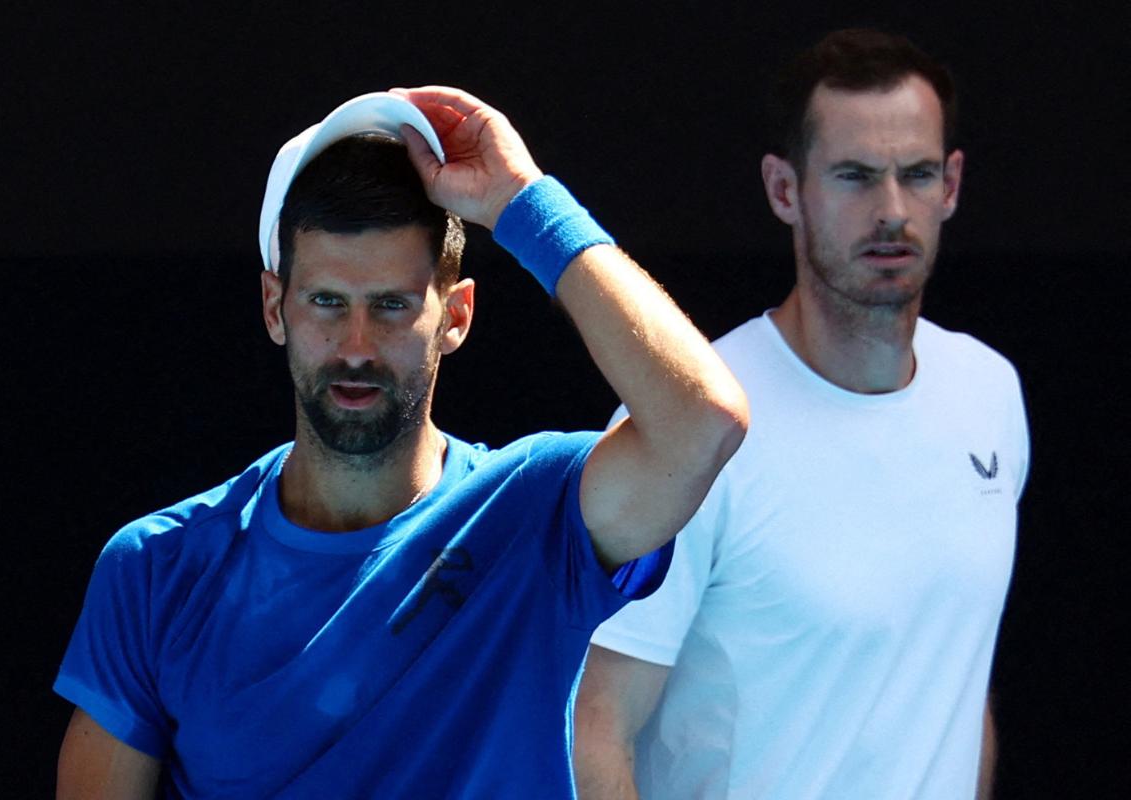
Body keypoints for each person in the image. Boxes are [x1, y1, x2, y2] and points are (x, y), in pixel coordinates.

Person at [52, 86, 748, 798]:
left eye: (392, 305)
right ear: (274, 307)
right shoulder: (155, 567)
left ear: (457, 316)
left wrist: (523, 201)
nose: (356, 346)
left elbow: (705, 421)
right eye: (327, 301)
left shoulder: (535, 508)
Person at [574, 29, 1029, 800]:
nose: (892, 211)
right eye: (854, 176)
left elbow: (951, 671)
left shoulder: (989, 393)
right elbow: (592, 729)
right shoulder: (694, 426)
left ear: (951, 184)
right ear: (785, 190)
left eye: (916, 175)